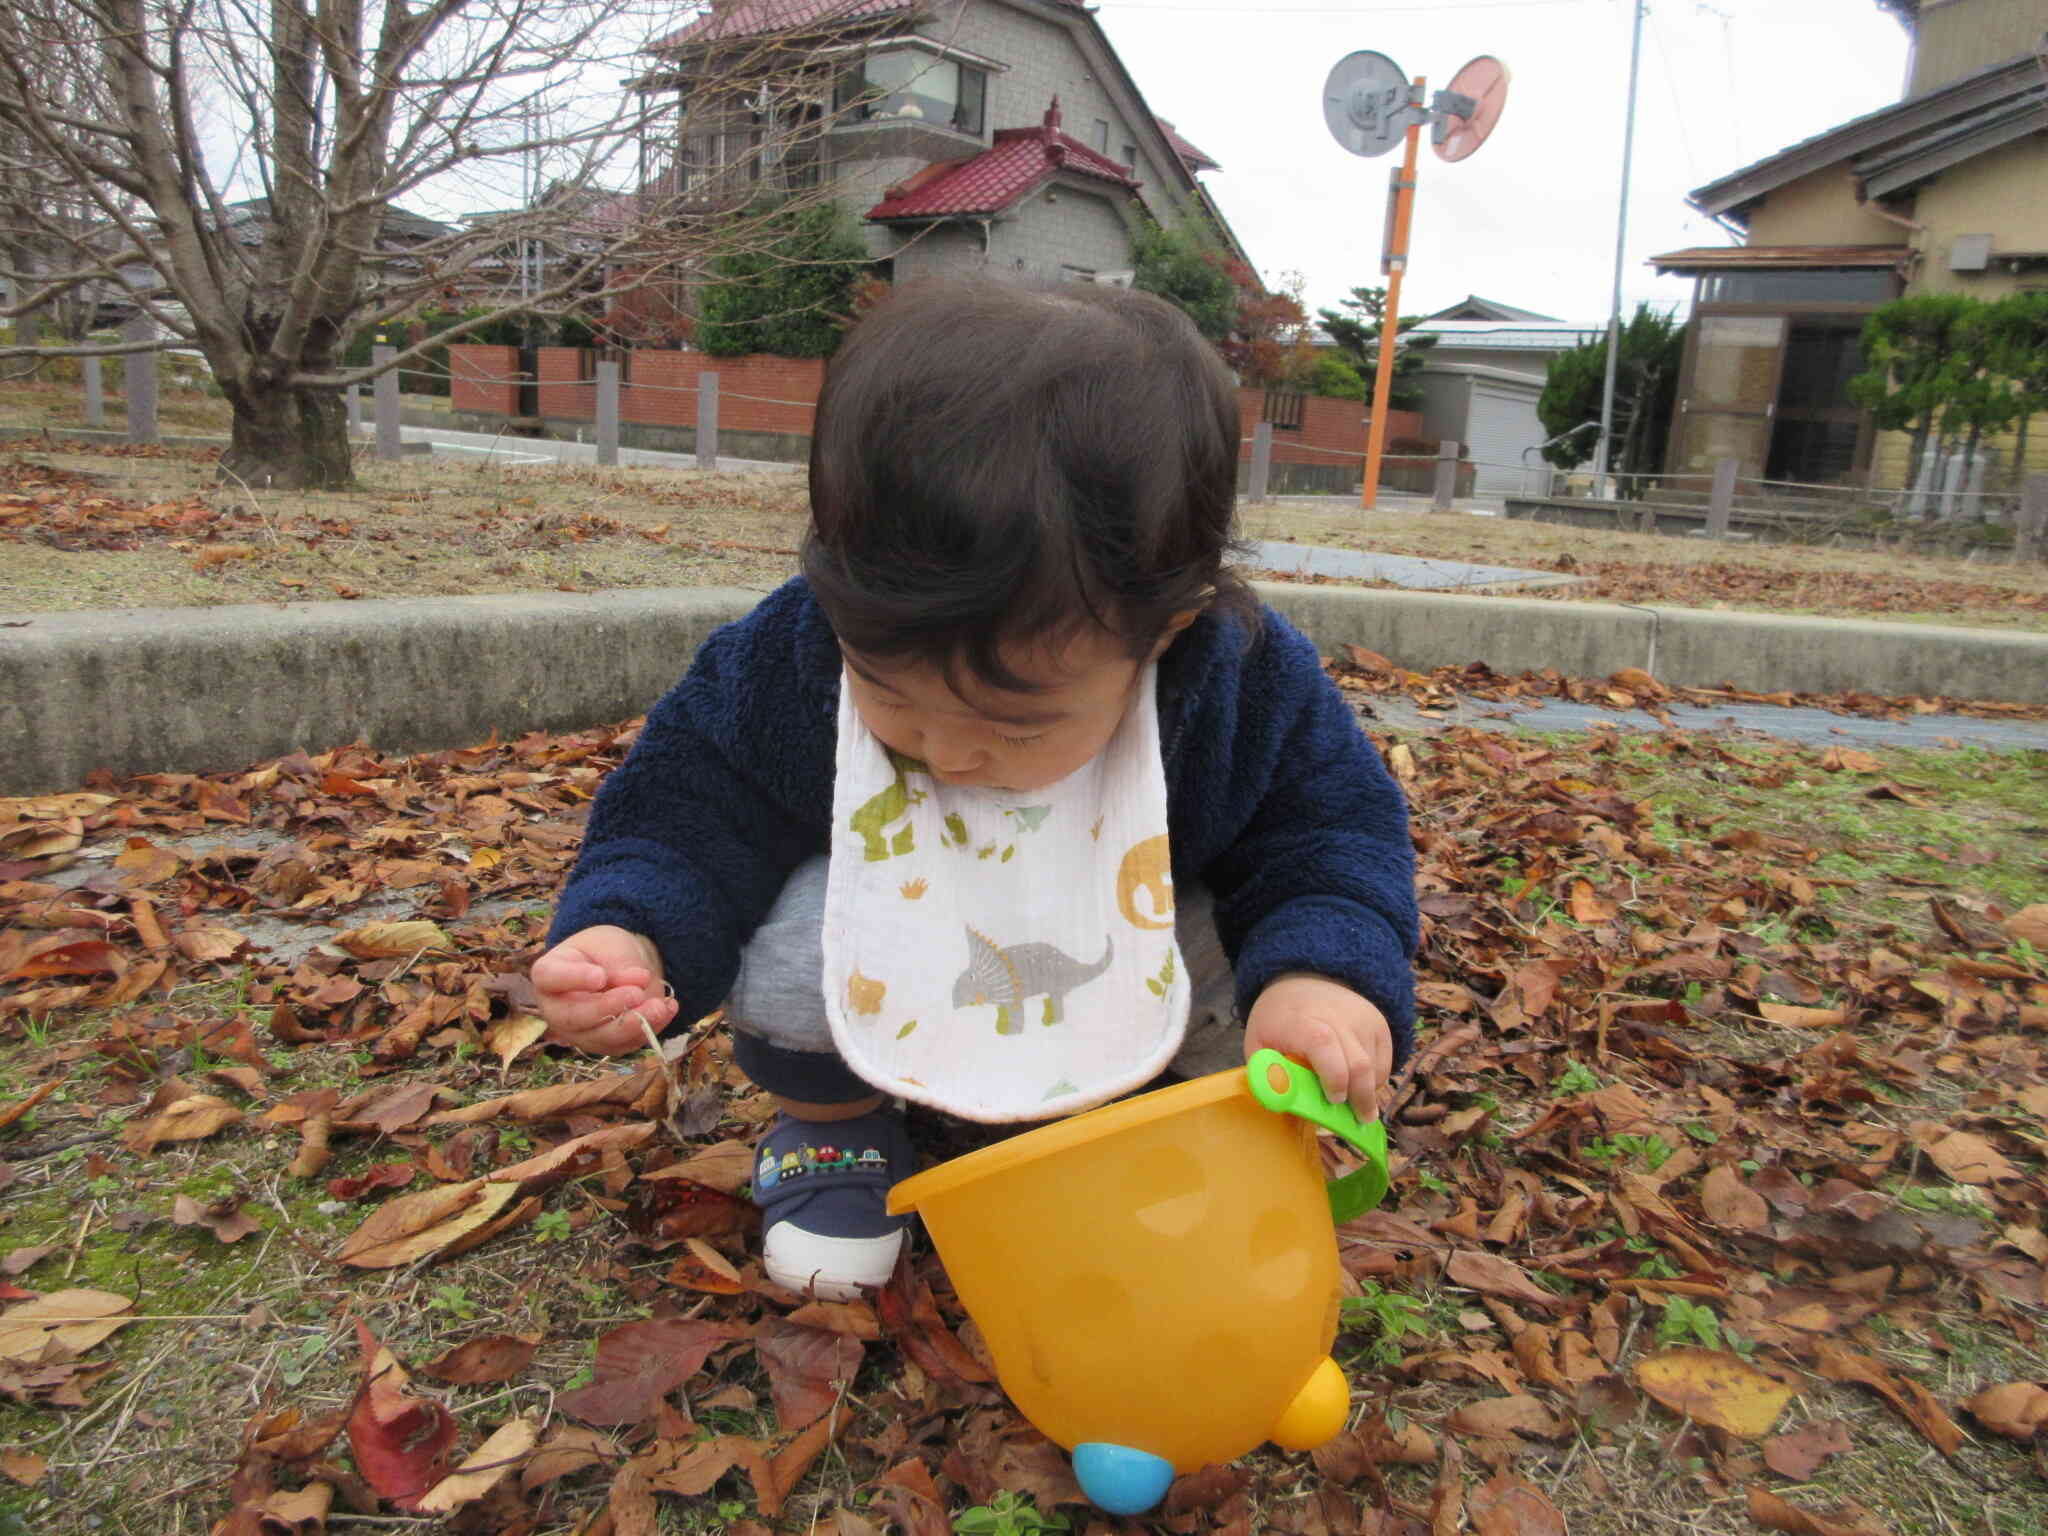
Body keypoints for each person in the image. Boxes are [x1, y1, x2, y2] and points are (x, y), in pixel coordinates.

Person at [532, 279, 1418, 1299]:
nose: (946, 755)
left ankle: (1156, 1121)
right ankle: (835, 1130)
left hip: (1132, 938)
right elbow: (687, 805)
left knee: (1248, 971)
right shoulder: (790, 653)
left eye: (1014, 723)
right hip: (902, 929)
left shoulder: (1235, 682)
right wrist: (630, 930)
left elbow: (1329, 834)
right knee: (791, 925)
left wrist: (1324, 977)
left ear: (1161, 631)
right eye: (891, 697)